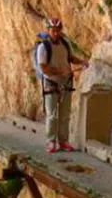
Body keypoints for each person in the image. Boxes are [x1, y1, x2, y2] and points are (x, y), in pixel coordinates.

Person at [37, 18, 88, 153]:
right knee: (52, 114)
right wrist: (61, 71)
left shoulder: (65, 44)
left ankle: (64, 141)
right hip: (51, 82)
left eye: (58, 31)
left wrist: (82, 62)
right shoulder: (43, 47)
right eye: (53, 30)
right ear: (48, 31)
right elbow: (44, 69)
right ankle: (51, 141)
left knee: (65, 114)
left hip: (65, 82)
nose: (56, 33)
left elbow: (70, 58)